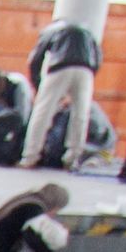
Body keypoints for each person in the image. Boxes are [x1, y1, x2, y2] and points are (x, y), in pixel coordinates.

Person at [21, 13, 99, 171]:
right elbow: (98, 57)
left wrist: (37, 85)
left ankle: (30, 157)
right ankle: (73, 158)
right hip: (86, 69)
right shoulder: (87, 30)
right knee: (80, 114)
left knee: (42, 113)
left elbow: (36, 58)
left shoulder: (51, 29)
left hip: (59, 67)